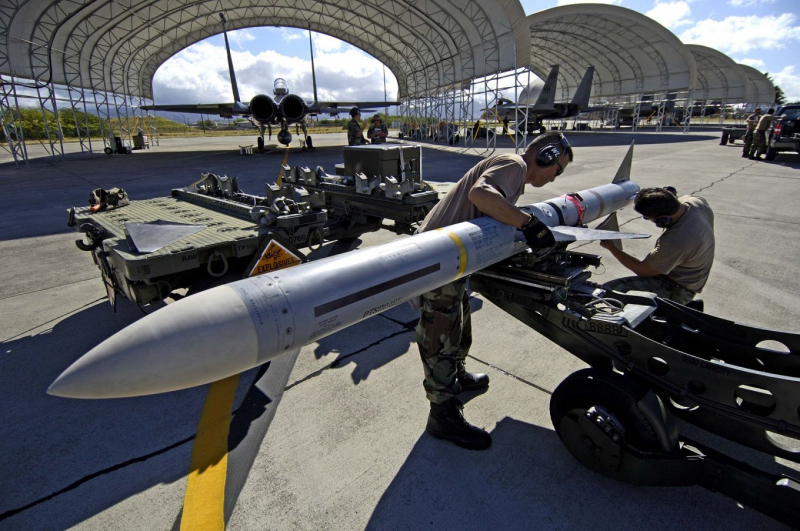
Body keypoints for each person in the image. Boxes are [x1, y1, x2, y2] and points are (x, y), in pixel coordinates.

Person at [415, 131, 573, 450]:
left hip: (452, 260)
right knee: (440, 333)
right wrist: (528, 224)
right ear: (546, 156)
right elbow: (481, 194)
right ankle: (441, 412)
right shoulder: (513, 164)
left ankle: (456, 376)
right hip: (436, 260)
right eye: (560, 168)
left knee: (459, 322)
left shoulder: (512, 172)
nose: (558, 175)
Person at [599, 187, 714, 305]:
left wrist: (612, 248)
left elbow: (642, 270)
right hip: (691, 275)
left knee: (609, 292)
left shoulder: (676, 242)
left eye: (649, 218)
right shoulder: (696, 202)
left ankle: (675, 306)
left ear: (662, 220)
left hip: (678, 286)